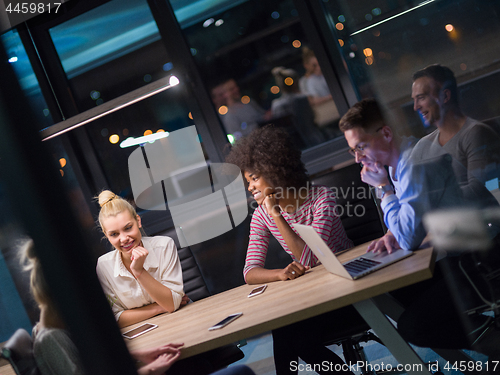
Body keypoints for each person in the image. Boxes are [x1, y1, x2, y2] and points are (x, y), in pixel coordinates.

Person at [339, 98, 500, 371]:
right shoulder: (397, 165)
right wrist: (392, 230)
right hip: (466, 252)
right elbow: (408, 222)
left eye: (360, 147)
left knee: (413, 326)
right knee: (402, 293)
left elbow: (409, 239)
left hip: (487, 259)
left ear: (386, 133)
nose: (357, 158)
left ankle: (495, 345)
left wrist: (384, 190)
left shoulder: (417, 164)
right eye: (353, 151)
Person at [226, 125, 364, 375]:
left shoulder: (322, 198)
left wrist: (276, 213)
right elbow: (249, 272)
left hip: (349, 291)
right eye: (248, 181)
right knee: (284, 327)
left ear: (275, 172)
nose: (249, 187)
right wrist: (279, 274)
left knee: (294, 336)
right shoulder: (260, 215)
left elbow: (311, 259)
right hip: (312, 297)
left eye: (254, 178)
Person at [20, 238, 183, 375]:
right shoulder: (51, 339)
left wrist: (137, 356)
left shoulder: (62, 327)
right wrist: (150, 370)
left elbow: (91, 364)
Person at [411, 64, 500, 208]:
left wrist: (426, 197)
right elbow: (409, 191)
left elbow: (479, 193)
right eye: (414, 99)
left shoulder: (476, 134)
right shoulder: (423, 146)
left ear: (445, 96)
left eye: (421, 98)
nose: (416, 107)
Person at [95, 190, 185, 328]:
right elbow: (116, 319)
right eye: (114, 234)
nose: (124, 238)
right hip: (143, 334)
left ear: (138, 221)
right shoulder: (103, 265)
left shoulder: (164, 246)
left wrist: (139, 271)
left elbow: (172, 304)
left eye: (128, 228)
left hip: (181, 321)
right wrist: (159, 308)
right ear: (107, 236)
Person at [270, 66, 324, 148]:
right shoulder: (302, 99)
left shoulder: (276, 104)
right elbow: (311, 119)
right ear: (294, 83)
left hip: (294, 146)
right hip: (314, 141)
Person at [299, 47, 339, 130]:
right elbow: (312, 101)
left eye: (319, 63)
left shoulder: (325, 74)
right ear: (306, 65)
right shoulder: (308, 81)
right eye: (314, 65)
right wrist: (330, 97)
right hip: (327, 115)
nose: (318, 67)